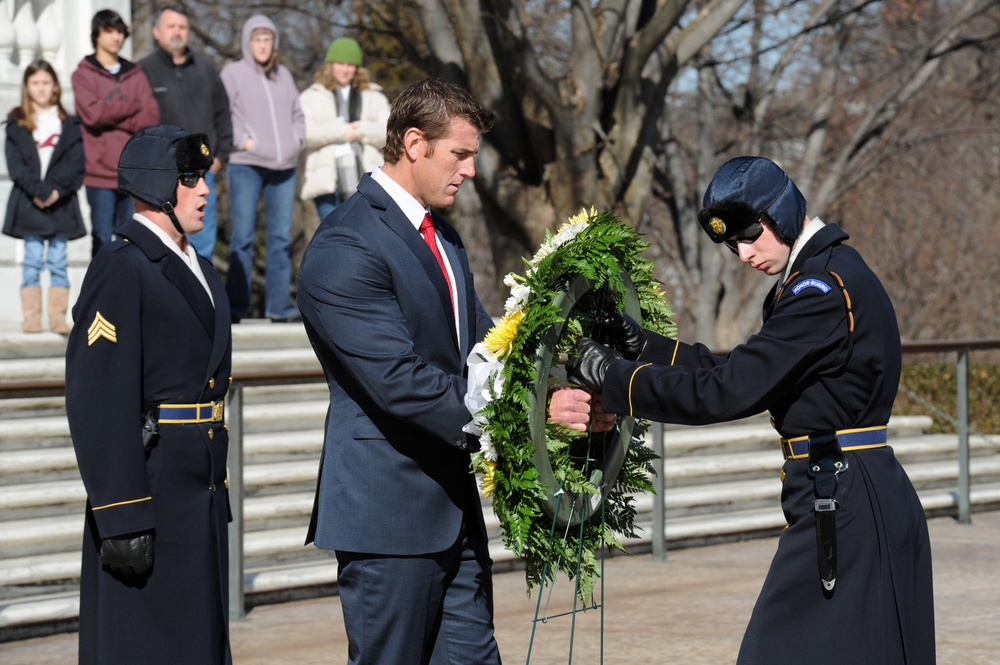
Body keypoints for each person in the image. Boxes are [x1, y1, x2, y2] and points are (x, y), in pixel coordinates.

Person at [550, 156, 935, 664]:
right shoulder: (822, 277)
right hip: (843, 489)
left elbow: (728, 392)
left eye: (751, 235)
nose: (744, 253)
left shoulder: (819, 290)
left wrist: (611, 376)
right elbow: (743, 370)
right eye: (733, 244)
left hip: (844, 497)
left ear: (784, 211)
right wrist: (642, 347)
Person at [297, 77, 501, 665]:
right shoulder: (347, 243)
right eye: (459, 154)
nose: (468, 169)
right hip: (386, 517)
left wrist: (565, 371)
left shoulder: (444, 236)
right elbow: (401, 383)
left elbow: (484, 342)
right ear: (414, 143)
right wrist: (522, 413)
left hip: (451, 509)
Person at [65, 125, 233, 664]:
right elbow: (99, 399)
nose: (205, 189)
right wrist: (122, 514)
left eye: (204, 176)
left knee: (197, 645)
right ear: (160, 186)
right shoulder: (122, 267)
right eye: (190, 179)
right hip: (150, 495)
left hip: (198, 492)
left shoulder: (200, 267)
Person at [220, 14, 304, 323]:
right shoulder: (234, 73)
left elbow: (298, 113)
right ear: (247, 42)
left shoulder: (283, 76)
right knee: (242, 237)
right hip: (247, 165)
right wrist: (245, 143)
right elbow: (224, 114)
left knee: (280, 239)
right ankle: (236, 307)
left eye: (268, 39)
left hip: (284, 167)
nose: (263, 45)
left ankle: (279, 307)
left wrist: (296, 140)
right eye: (257, 38)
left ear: (275, 43)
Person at [139, 4, 233, 260]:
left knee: (202, 246)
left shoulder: (206, 71)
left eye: (182, 27)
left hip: (203, 173)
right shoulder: (143, 71)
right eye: (171, 26)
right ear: (156, 31)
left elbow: (223, 117)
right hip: (162, 176)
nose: (177, 32)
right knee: (161, 244)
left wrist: (218, 159)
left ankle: (202, 299)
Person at [3, 60, 85, 334]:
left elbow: (76, 163)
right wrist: (39, 191)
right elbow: (16, 167)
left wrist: (55, 191)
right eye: (35, 83)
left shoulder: (70, 123)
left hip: (59, 204)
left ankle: (58, 317)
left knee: (59, 261)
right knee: (33, 260)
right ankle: (32, 318)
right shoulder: (16, 124)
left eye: (46, 83)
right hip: (30, 203)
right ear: (27, 86)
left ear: (55, 87)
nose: (41, 88)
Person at [72, 8, 159, 257]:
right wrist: (131, 105)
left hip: (131, 171)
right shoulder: (83, 74)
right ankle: (99, 294)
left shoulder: (135, 72)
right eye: (110, 30)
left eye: (120, 31)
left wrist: (109, 111)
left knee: (129, 239)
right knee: (101, 238)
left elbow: (150, 117)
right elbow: (93, 116)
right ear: (96, 34)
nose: (116, 37)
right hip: (99, 173)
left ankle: (125, 295)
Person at [298, 37, 390, 221]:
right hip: (326, 180)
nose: (345, 69)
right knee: (333, 232)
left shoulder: (374, 96)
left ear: (357, 68)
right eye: (340, 63)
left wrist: (362, 130)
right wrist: (340, 131)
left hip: (368, 177)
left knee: (367, 233)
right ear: (330, 65)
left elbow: (390, 132)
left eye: (350, 64)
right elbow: (304, 133)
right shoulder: (311, 96)